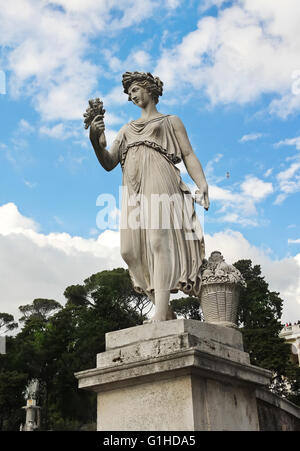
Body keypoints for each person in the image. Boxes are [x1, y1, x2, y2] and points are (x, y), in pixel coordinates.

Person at [89, 71, 209, 322]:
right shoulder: (126, 129)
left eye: (135, 90)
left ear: (150, 90)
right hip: (131, 184)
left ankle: (160, 313)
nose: (132, 96)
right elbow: (109, 162)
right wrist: (95, 141)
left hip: (160, 175)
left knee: (157, 241)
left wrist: (202, 184)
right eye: (129, 92)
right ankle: (164, 309)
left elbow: (188, 154)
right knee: (129, 250)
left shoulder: (170, 121)